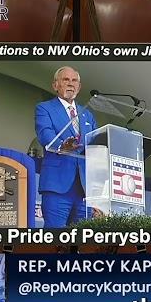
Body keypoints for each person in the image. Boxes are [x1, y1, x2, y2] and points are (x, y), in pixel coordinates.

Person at [35, 66, 97, 228]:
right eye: (65, 80)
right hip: (57, 186)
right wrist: (61, 145)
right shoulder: (44, 108)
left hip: (84, 190)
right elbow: (45, 133)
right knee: (55, 242)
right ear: (55, 85)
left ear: (79, 86)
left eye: (74, 80)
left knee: (82, 243)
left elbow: (96, 144)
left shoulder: (87, 114)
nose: (70, 84)